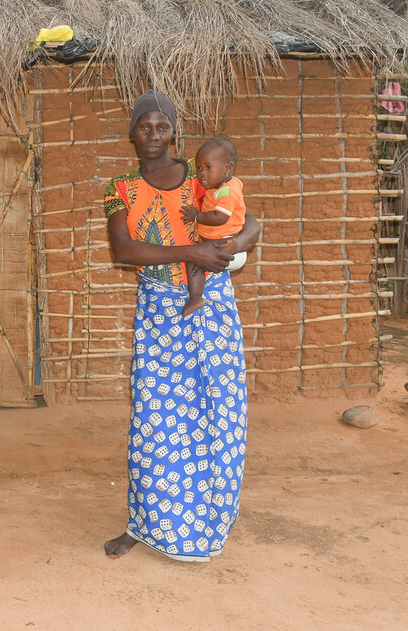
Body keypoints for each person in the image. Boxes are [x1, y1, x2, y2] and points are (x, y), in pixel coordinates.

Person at [102, 90, 259, 563]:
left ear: (174, 131)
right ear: (133, 134)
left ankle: (205, 525)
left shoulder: (203, 176)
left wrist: (230, 245)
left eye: (162, 126)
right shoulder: (121, 188)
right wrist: (192, 252)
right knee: (154, 418)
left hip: (210, 306)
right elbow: (123, 251)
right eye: (144, 127)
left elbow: (252, 222)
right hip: (158, 313)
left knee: (216, 415)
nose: (153, 136)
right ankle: (144, 524)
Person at [180, 136, 247, 318]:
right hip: (219, 239)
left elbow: (219, 217)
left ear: (227, 168)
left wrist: (196, 216)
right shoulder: (223, 186)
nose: (202, 173)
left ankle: (195, 298)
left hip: (221, 241)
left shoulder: (226, 191)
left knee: (193, 260)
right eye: (199, 167)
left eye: (208, 167)